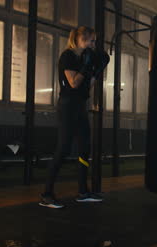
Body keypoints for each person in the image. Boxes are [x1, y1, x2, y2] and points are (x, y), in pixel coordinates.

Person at [39, 26, 109, 209]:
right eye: (90, 41)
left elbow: (87, 87)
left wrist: (96, 71)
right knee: (63, 149)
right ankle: (46, 194)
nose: (93, 44)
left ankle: (83, 192)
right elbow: (73, 83)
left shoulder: (86, 57)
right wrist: (86, 67)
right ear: (78, 40)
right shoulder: (68, 56)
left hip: (80, 106)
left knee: (85, 146)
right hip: (67, 106)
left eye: (94, 41)